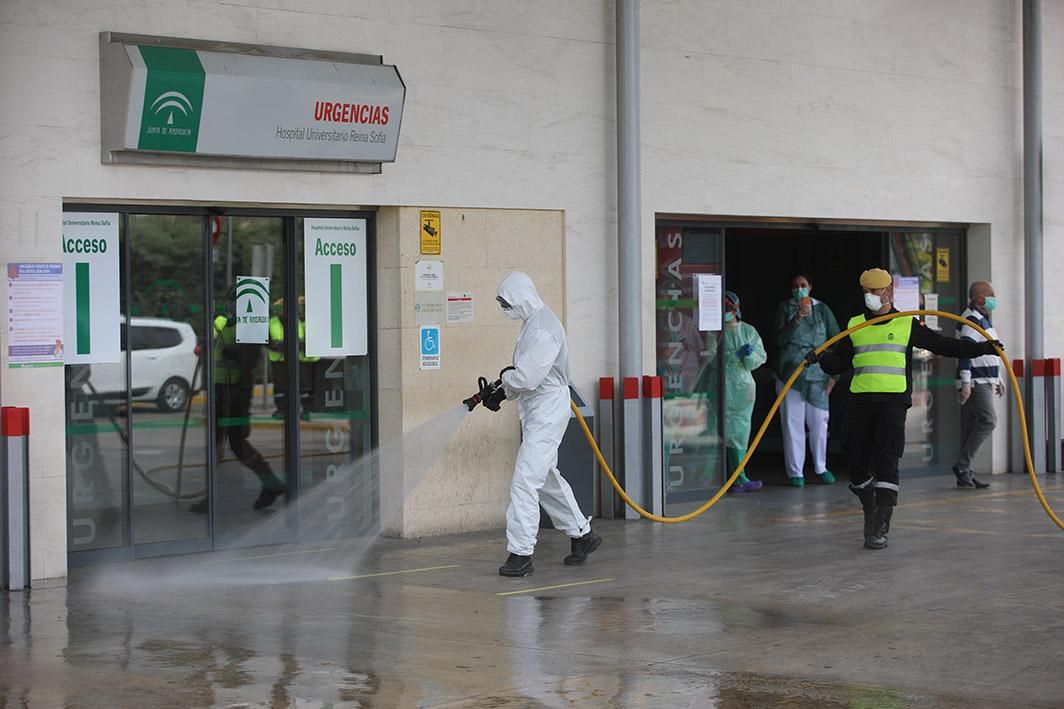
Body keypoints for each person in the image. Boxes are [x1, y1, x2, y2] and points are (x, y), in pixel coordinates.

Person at [814, 269, 1002, 550]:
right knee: (855, 462)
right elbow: (839, 365)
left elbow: (944, 346)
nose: (870, 296)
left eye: (875, 291)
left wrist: (983, 348)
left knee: (887, 461)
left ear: (888, 292)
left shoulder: (906, 324)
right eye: (866, 291)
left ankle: (881, 524)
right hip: (860, 402)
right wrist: (821, 358)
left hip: (892, 404)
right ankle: (870, 504)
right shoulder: (854, 325)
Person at [494, 271, 601, 577]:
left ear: (521, 297)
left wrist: (505, 384)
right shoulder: (533, 323)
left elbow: (527, 377)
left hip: (546, 409)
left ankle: (520, 554)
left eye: (507, 301)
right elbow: (526, 376)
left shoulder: (543, 330)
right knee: (546, 477)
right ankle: (583, 534)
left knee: (525, 480)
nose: (504, 307)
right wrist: (502, 391)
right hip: (537, 408)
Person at [191, 308, 286, 513]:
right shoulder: (221, 322)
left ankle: (213, 497)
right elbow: (205, 348)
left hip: (234, 390)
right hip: (221, 389)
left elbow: (255, 356)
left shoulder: (249, 324)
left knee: (221, 442)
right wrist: (204, 346)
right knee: (233, 442)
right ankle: (270, 482)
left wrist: (238, 355)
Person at [773, 274, 841, 487]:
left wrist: (834, 376)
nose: (799, 289)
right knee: (793, 424)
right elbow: (778, 340)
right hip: (790, 374)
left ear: (810, 286)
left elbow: (837, 340)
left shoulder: (823, 310)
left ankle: (821, 467)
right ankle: (796, 472)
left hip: (818, 376)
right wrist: (797, 318)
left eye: (803, 285)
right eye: (795, 286)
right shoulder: (784, 309)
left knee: (819, 422)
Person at [953, 281, 1003, 489]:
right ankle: (963, 466)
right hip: (975, 381)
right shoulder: (970, 320)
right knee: (988, 420)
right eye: (990, 294)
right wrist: (965, 382)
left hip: (985, 379)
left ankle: (965, 470)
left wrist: (997, 378)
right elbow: (965, 352)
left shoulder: (983, 320)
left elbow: (991, 351)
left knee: (974, 423)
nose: (994, 298)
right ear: (979, 297)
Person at [722, 291, 767, 493]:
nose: (726, 311)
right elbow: (710, 359)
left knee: (740, 432)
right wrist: (733, 356)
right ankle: (729, 477)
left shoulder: (748, 331)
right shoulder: (715, 332)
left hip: (743, 387)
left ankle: (738, 476)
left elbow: (760, 356)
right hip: (722, 386)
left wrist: (746, 357)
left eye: (728, 307)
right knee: (720, 431)